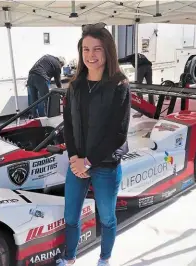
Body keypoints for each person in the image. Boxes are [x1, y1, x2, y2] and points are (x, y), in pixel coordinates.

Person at [57, 23, 131, 266]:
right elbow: (67, 124)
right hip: (77, 162)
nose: (90, 55)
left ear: (107, 51)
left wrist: (88, 162)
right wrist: (74, 158)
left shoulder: (119, 85)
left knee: (107, 217)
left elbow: (117, 133)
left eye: (97, 49)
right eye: (86, 49)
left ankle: (104, 260)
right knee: (71, 216)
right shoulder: (75, 85)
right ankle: (69, 259)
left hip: (105, 164)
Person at [118, 53, 154, 117]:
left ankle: (141, 107)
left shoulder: (131, 56)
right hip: (149, 67)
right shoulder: (141, 55)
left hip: (141, 67)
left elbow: (122, 60)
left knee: (138, 87)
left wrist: (113, 60)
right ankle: (152, 107)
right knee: (150, 87)